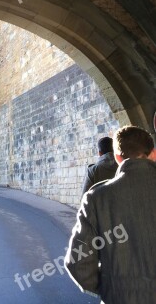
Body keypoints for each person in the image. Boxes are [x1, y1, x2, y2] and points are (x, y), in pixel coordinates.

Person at [65, 125, 156, 304]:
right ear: (153, 153)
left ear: (117, 157)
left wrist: (112, 287)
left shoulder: (96, 198)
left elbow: (79, 264)